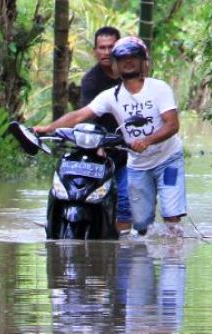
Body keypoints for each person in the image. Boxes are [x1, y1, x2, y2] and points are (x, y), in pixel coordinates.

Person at [35, 36, 186, 237]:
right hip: (138, 164)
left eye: (133, 57)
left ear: (143, 62)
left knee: (171, 216)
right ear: (115, 66)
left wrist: (147, 141)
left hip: (168, 160)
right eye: (122, 59)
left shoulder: (160, 88)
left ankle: (173, 260)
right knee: (141, 224)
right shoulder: (111, 96)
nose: (128, 62)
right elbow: (80, 115)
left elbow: (172, 124)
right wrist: (48, 128)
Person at [78, 26, 130, 232]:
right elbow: (87, 115)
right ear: (95, 51)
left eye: (111, 47)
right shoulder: (91, 80)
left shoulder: (131, 74)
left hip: (130, 149)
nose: (107, 52)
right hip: (100, 148)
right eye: (102, 47)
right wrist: (96, 144)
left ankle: (125, 246)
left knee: (126, 202)